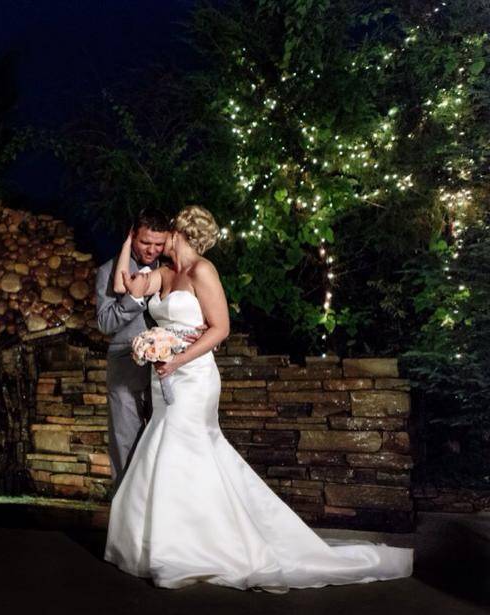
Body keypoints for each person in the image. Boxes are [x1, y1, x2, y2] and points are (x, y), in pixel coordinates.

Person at [104, 204, 414, 592]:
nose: (156, 242)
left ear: (179, 234)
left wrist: (178, 358)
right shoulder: (164, 273)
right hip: (163, 377)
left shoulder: (203, 271)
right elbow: (123, 286)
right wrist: (127, 240)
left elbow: (220, 329)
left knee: (184, 450)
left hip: (193, 377)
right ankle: (172, 541)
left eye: (165, 234)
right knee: (164, 448)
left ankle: (196, 544)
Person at [94, 209, 204, 494]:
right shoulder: (109, 271)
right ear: (132, 237)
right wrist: (132, 299)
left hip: (169, 369)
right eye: (145, 243)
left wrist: (198, 328)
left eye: (158, 244)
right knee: (126, 443)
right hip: (125, 368)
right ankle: (125, 520)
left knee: (166, 444)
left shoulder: (171, 269)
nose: (152, 250)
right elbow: (105, 323)